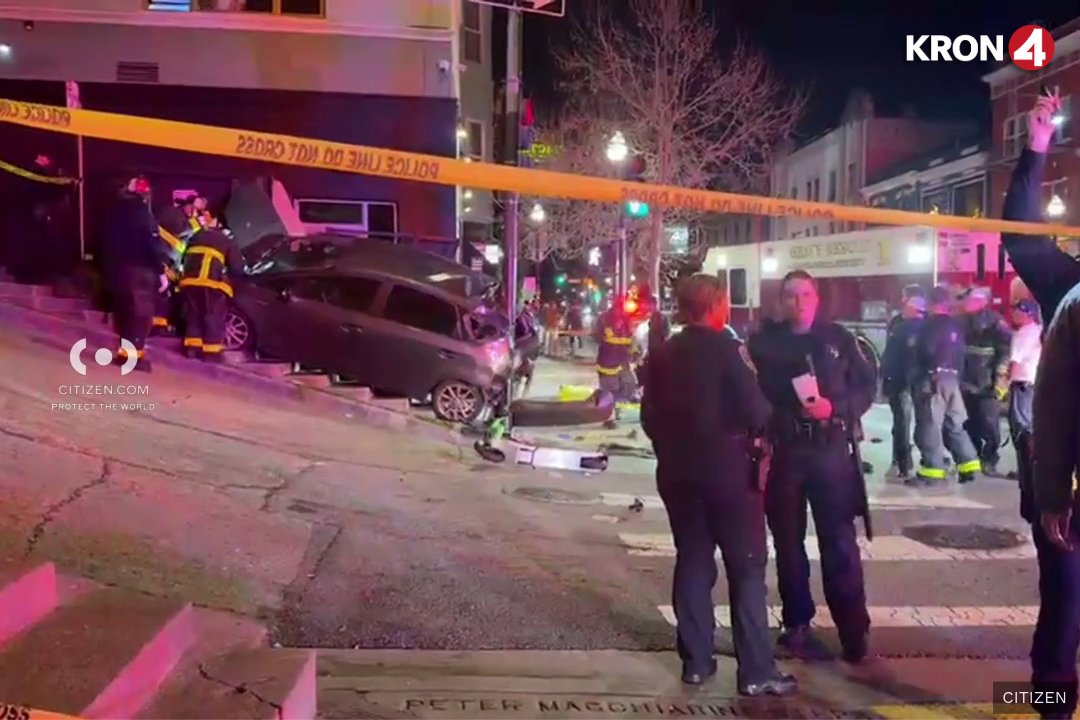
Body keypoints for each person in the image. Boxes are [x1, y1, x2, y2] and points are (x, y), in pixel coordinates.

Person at [641, 273, 797, 696]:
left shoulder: (662, 353)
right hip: (730, 475)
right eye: (725, 301)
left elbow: (648, 417)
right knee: (746, 569)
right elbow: (757, 411)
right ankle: (756, 671)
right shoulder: (730, 351)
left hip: (677, 473)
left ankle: (696, 662)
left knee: (693, 561)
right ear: (714, 306)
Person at [747, 270, 875, 663]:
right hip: (786, 452)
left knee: (839, 543)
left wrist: (835, 407)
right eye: (791, 295)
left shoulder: (838, 339)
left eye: (805, 294)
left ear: (816, 298)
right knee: (788, 544)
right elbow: (751, 393)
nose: (799, 302)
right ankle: (796, 623)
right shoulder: (765, 343)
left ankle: (853, 629)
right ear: (781, 302)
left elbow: (866, 388)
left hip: (829, 449)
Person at [1002, 91, 1080, 720]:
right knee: (1065, 609)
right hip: (1073, 494)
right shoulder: (1069, 287)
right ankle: (1051, 706)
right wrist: (1037, 145)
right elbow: (1022, 234)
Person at [911, 286, 982, 485]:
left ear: (931, 303)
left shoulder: (928, 327)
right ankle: (969, 465)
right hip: (953, 379)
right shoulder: (956, 326)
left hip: (933, 379)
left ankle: (933, 471)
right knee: (954, 424)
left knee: (929, 425)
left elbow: (925, 352)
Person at [99, 175, 170, 372]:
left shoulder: (113, 211)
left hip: (117, 270)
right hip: (140, 271)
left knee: (124, 314)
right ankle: (133, 358)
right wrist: (161, 270)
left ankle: (124, 354)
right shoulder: (141, 212)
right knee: (139, 316)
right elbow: (151, 243)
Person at [178, 212, 245, 362]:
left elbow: (183, 258)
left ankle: (192, 349)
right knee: (213, 316)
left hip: (189, 282)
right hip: (212, 284)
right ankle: (211, 353)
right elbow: (237, 268)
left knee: (193, 315)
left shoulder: (195, 236)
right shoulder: (226, 240)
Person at [959, 287, 1012, 477]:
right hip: (966, 382)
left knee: (990, 427)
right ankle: (974, 459)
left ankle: (989, 460)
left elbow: (1005, 351)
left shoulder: (996, 322)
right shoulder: (961, 321)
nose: (967, 303)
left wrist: (1000, 376)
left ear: (983, 302)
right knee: (969, 424)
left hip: (986, 383)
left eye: (972, 300)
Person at [881, 289, 926, 481]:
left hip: (901, 383)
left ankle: (902, 464)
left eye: (906, 306)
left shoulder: (900, 329)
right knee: (926, 423)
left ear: (912, 309)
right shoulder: (930, 327)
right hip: (923, 384)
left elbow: (890, 358)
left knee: (901, 425)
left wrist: (886, 380)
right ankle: (931, 461)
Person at [1007, 298, 1040, 500]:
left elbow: (1015, 361)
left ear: (1028, 313)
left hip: (1022, 384)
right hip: (1032, 384)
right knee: (1029, 428)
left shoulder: (1025, 333)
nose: (1013, 314)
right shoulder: (1038, 330)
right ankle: (1028, 470)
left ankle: (1026, 472)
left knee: (1021, 430)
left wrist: (1003, 384)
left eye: (1017, 311)